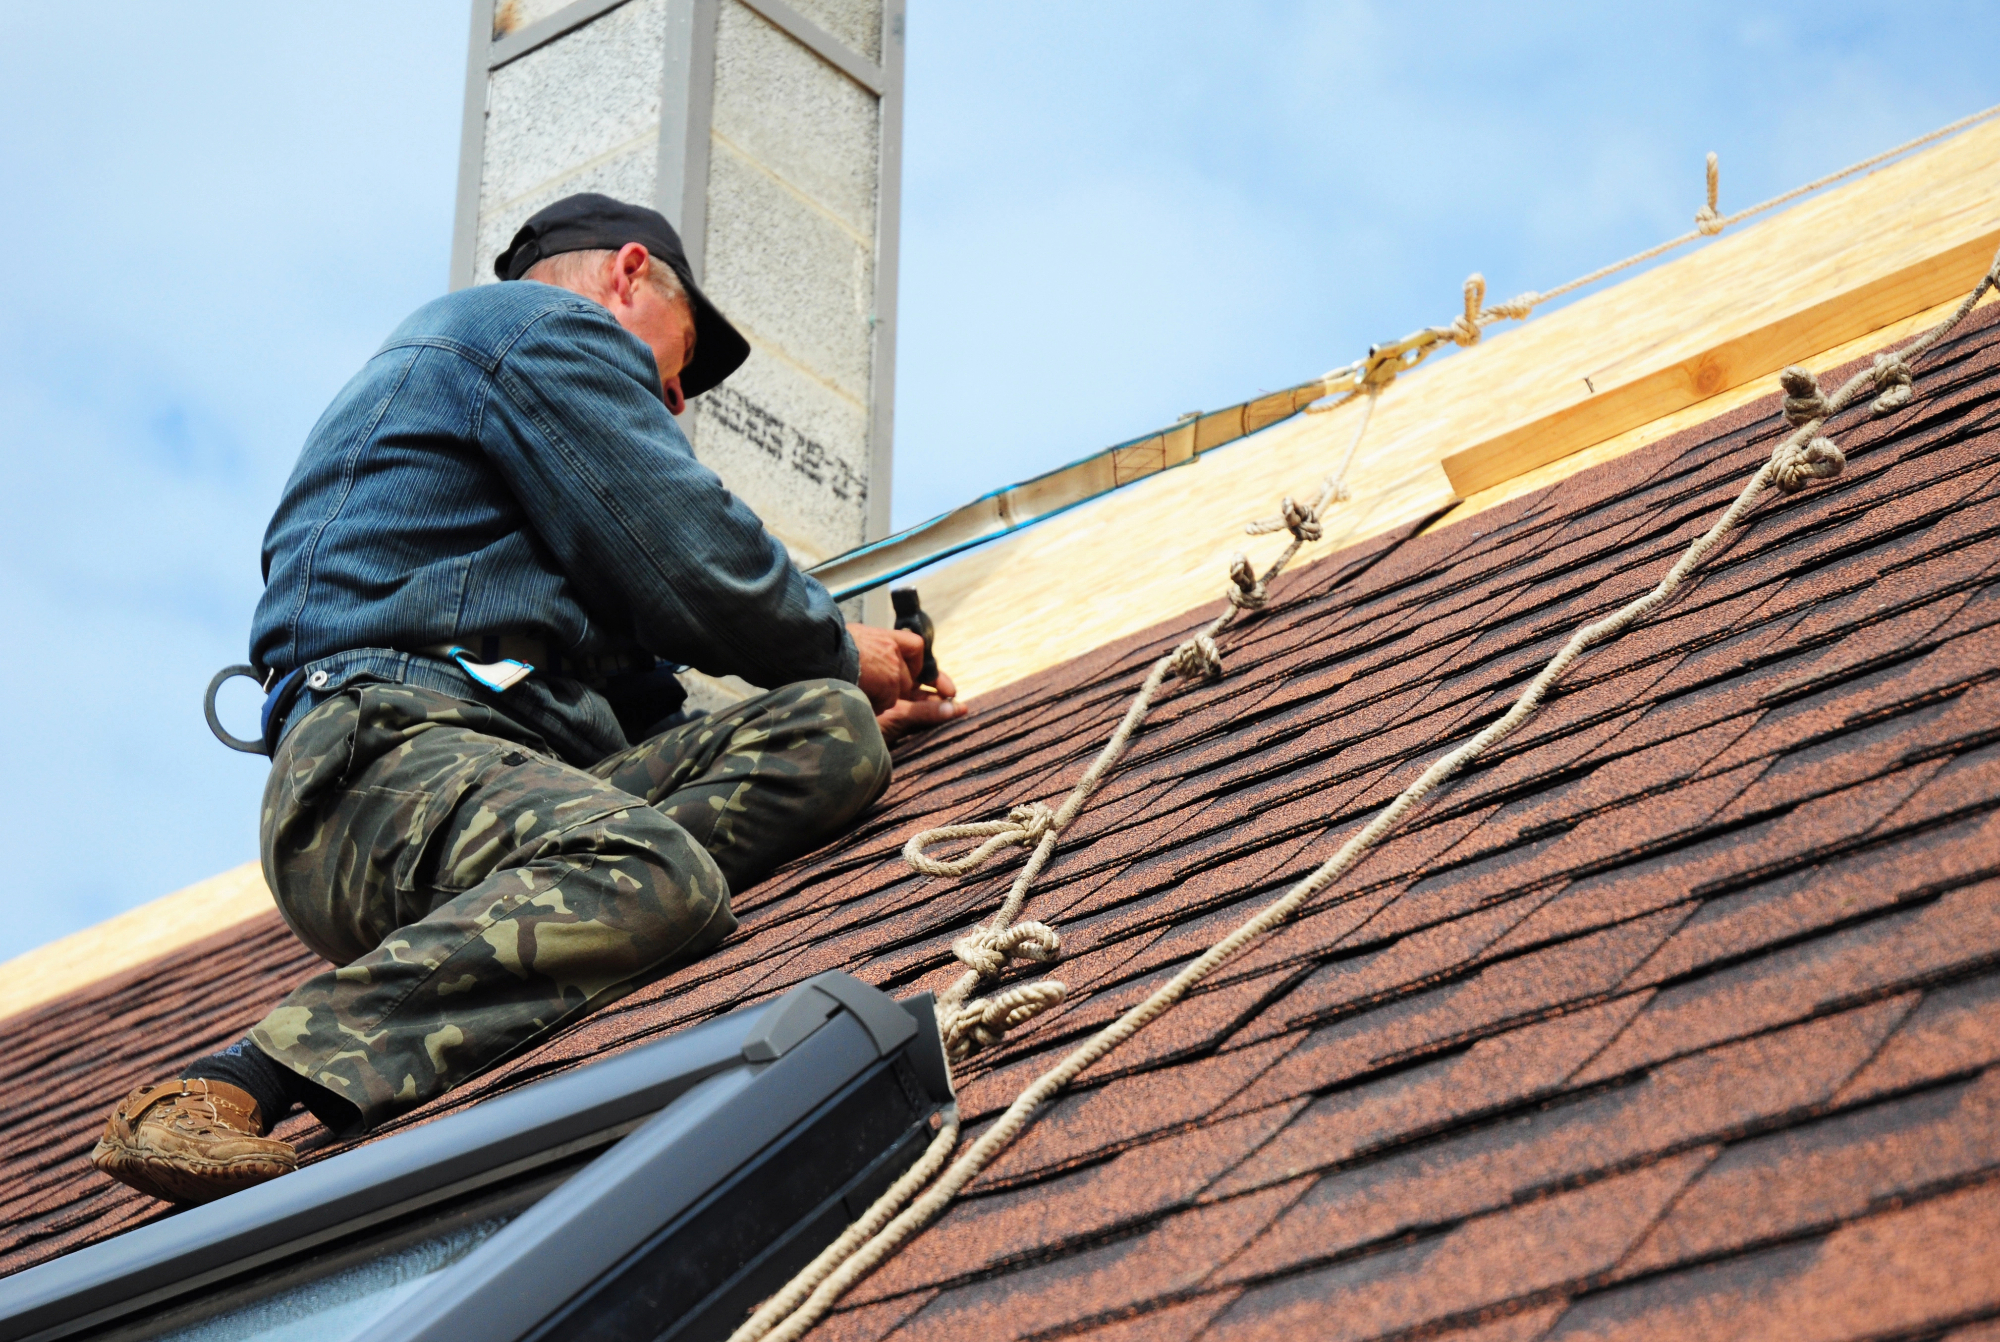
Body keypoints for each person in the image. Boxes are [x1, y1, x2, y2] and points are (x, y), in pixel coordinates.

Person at [90, 194, 963, 1205]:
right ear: (626, 275)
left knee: (827, 733)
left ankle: (559, 898)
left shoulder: (520, 506)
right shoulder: (532, 333)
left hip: (505, 767)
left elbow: (651, 710)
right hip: (377, 761)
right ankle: (236, 1080)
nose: (671, 404)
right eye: (672, 372)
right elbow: (690, 554)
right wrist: (832, 644)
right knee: (656, 864)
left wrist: (836, 690)